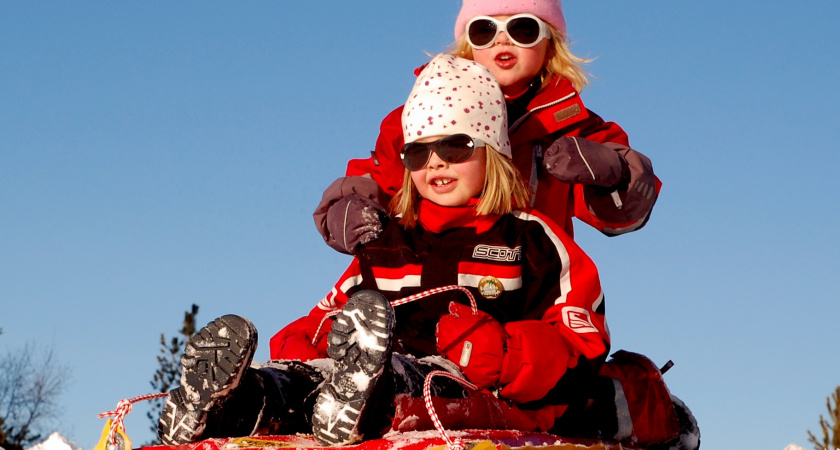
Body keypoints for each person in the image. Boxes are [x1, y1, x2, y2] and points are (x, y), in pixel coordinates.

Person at [157, 55, 697, 450]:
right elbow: (327, 313)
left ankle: (361, 392)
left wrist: (504, 351)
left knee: (411, 380)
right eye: (419, 151)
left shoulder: (530, 240)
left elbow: (581, 343)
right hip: (354, 370)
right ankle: (240, 399)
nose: (436, 162)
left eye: (456, 146)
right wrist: (306, 343)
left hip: (458, 381)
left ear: (494, 155)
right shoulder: (389, 242)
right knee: (305, 380)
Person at [315, 0, 661, 256]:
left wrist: (611, 172)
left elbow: (624, 214)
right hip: (434, 269)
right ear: (469, 43)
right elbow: (382, 177)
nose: (502, 40)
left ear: (550, 42)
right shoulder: (423, 115)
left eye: (522, 29)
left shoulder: (573, 126)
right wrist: (347, 210)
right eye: (485, 30)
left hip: (531, 279)